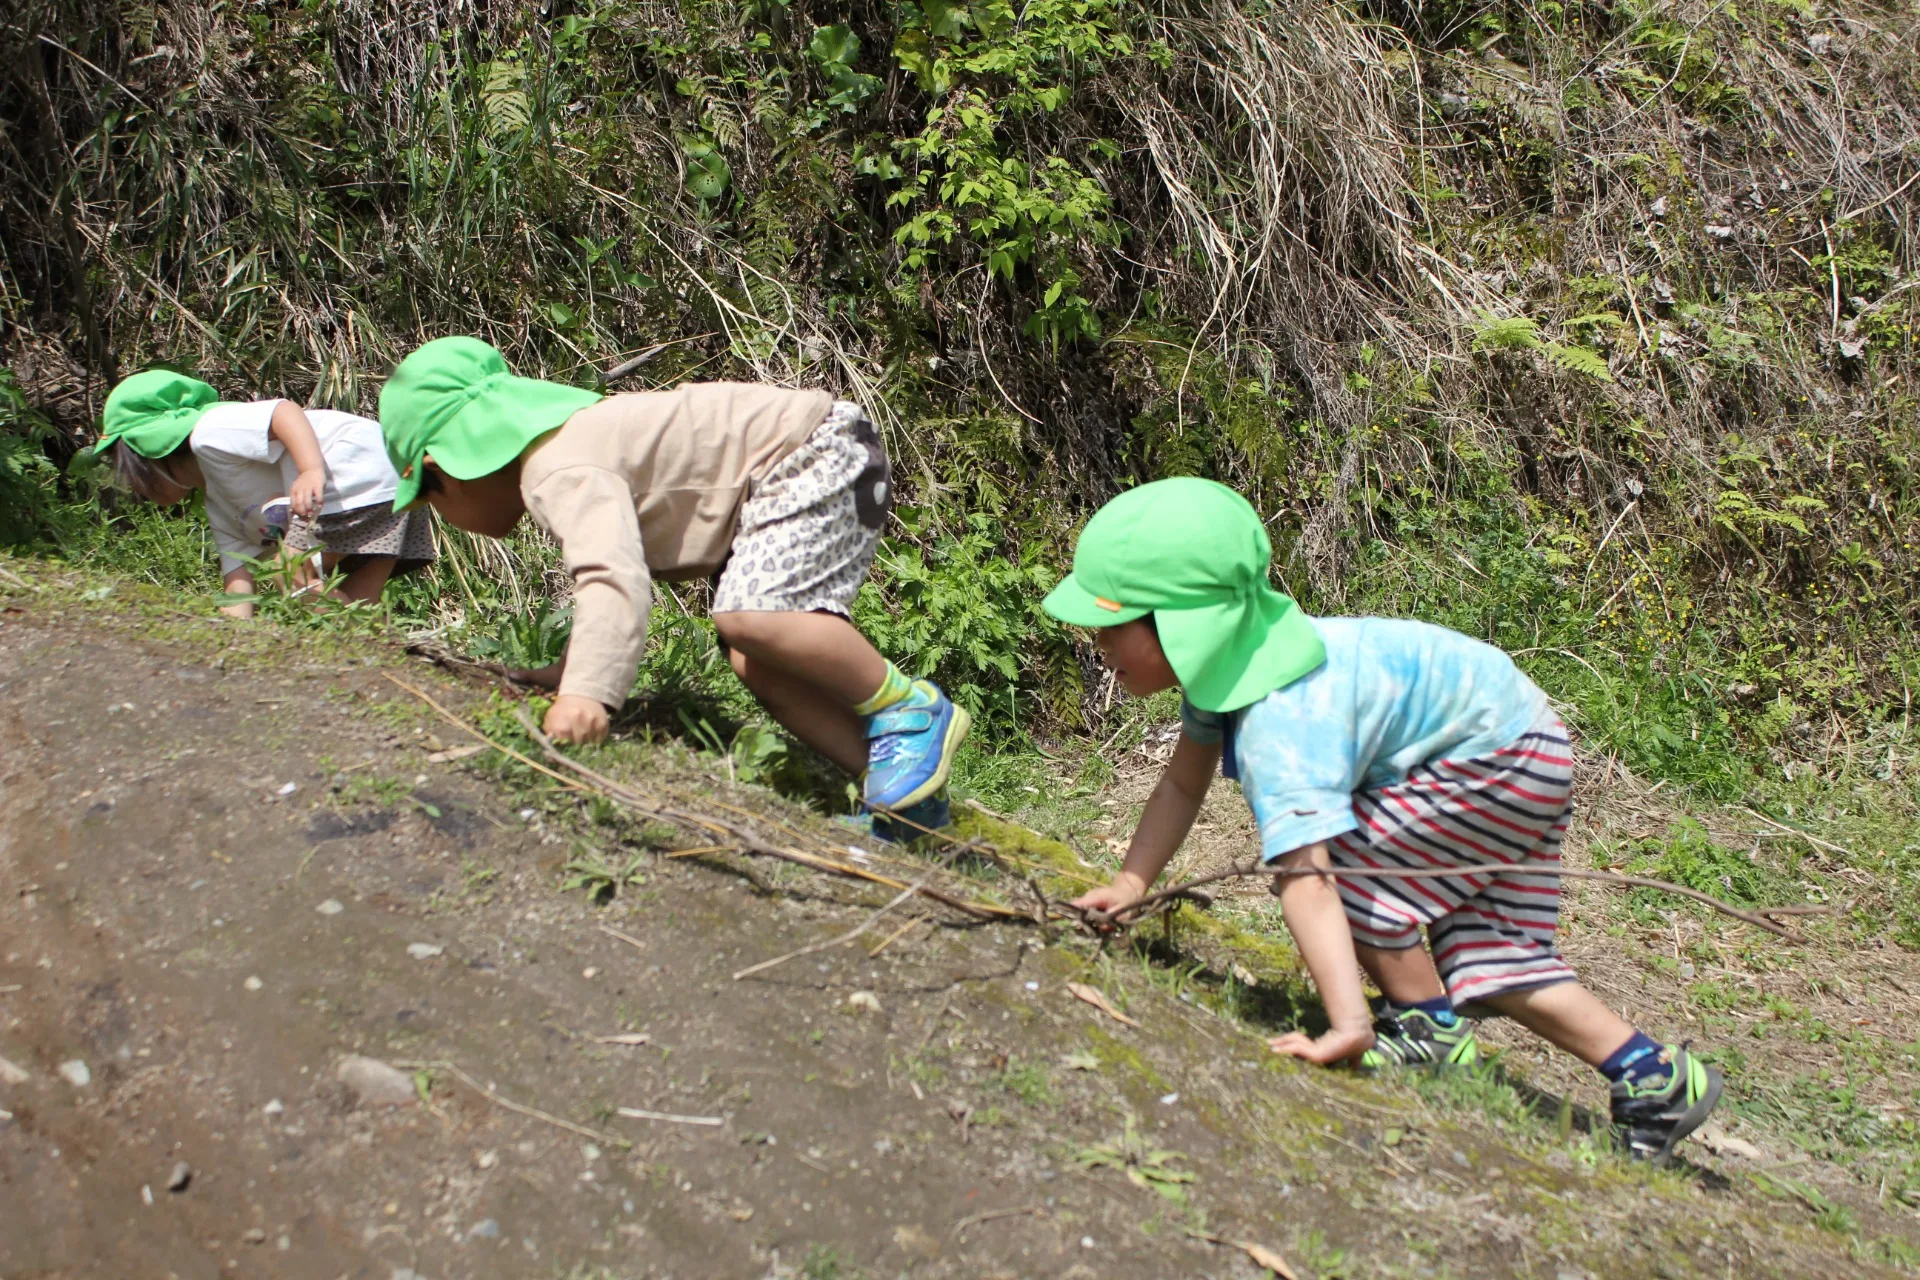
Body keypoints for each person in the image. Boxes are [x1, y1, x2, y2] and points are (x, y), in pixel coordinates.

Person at [1048, 477, 1722, 1163]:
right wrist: (1133, 884)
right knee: (1490, 954)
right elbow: (1181, 787)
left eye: (1110, 623)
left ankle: (1424, 1031)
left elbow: (1307, 880)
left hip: (1490, 756)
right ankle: (1655, 1078)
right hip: (1518, 739)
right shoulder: (1232, 669)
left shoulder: (1281, 717)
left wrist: (1348, 1023)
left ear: (1182, 624)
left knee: (1350, 868)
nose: (1096, 641)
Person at [376, 336, 968, 831]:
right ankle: (902, 798)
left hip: (811, 450)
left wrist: (588, 695)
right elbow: (610, 585)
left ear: (443, 470)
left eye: (427, 500)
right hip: (809, 459)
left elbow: (613, 580)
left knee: (750, 618)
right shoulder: (562, 457)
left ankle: (910, 712)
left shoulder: (558, 470)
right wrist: (573, 675)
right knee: (754, 659)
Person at [95, 370, 434, 618]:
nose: (130, 486)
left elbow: (282, 412)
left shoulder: (209, 433)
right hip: (397, 481)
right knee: (359, 601)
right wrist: (234, 642)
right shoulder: (223, 508)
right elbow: (238, 587)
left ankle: (375, 646)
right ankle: (390, 656)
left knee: (290, 572)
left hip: (356, 469)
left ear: (145, 451)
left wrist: (310, 470)